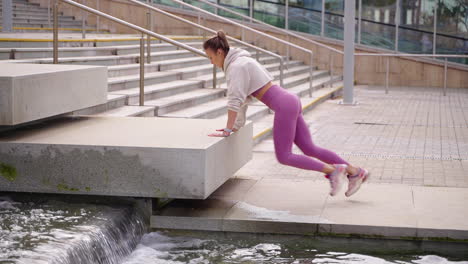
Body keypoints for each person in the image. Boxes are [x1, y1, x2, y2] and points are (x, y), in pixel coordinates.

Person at [204, 30, 369, 197]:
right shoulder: (242, 60)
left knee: (284, 156)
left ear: (219, 52)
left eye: (211, 57)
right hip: (290, 100)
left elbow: (235, 101)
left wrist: (227, 129)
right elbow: (242, 101)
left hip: (284, 105)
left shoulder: (236, 67)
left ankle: (333, 171)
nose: (212, 62)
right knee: (309, 148)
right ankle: (355, 172)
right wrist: (235, 126)